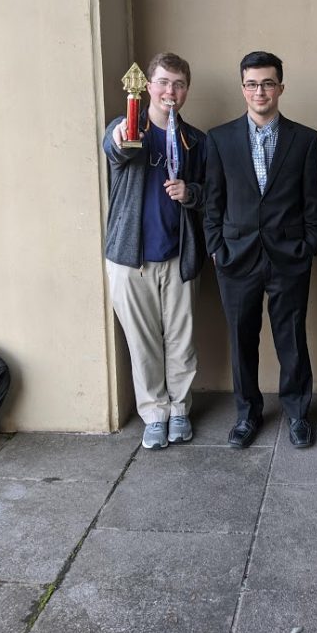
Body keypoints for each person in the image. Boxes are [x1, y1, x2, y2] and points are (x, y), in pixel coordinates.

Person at [204, 52, 317, 449]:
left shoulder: (304, 139)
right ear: (243, 89)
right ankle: (247, 414)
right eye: (253, 84)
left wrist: (308, 246)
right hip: (236, 257)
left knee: (290, 336)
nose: (260, 91)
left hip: (288, 256)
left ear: (281, 88)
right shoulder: (219, 139)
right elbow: (214, 202)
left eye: (268, 83)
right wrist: (216, 247)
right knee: (242, 339)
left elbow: (313, 202)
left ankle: (296, 413)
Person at [104, 52, 206, 450]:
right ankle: (154, 414)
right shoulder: (128, 127)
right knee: (142, 342)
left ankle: (180, 409)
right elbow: (117, 149)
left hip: (178, 256)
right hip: (131, 259)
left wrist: (191, 193)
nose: (170, 91)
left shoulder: (194, 140)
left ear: (186, 91)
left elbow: (209, 193)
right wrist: (125, 133)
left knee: (182, 341)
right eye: (163, 82)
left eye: (179, 84)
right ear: (148, 86)